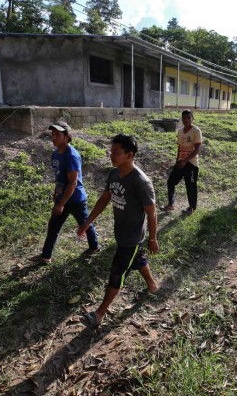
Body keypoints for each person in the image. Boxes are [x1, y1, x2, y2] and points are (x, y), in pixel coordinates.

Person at [77, 134, 159, 328]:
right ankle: (152, 286)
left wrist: (153, 238)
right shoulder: (114, 174)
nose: (111, 155)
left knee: (117, 273)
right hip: (121, 233)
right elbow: (104, 199)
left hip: (132, 236)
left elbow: (152, 212)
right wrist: (87, 222)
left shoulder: (141, 181)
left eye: (116, 152)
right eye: (111, 151)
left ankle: (99, 313)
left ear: (129, 154)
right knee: (137, 259)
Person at [32, 122, 100, 264]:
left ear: (67, 136)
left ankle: (94, 247)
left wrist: (61, 203)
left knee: (85, 224)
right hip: (62, 197)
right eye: (53, 134)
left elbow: (73, 182)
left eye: (57, 134)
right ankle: (45, 256)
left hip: (75, 200)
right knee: (53, 227)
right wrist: (56, 193)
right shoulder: (56, 154)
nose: (54, 137)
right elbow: (59, 177)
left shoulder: (71, 155)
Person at [162, 109, 202, 214]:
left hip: (192, 163)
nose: (186, 120)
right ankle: (171, 204)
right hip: (180, 162)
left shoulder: (196, 131)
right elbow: (180, 147)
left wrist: (185, 161)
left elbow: (197, 149)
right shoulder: (180, 131)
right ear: (182, 119)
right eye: (184, 118)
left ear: (192, 118)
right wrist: (177, 161)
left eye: (188, 117)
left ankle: (192, 208)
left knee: (191, 186)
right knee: (171, 182)